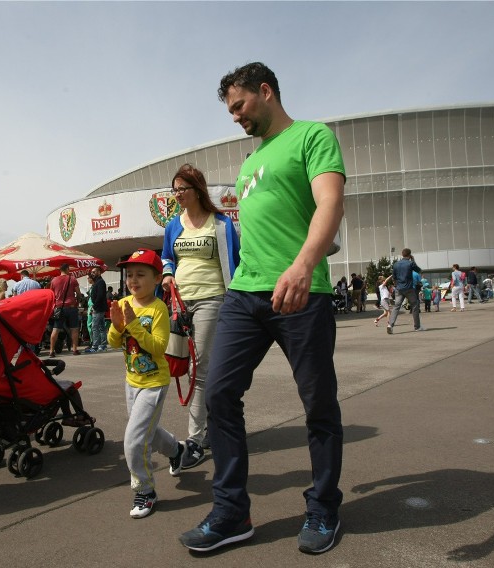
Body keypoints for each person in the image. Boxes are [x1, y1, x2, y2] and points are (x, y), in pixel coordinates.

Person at [179, 62, 346, 555]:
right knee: (220, 395)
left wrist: (303, 264)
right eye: (230, 110)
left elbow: (329, 204)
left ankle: (324, 507)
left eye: (239, 106)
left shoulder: (313, 137)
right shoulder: (251, 162)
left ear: (266, 91)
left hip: (302, 291)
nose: (234, 117)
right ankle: (232, 512)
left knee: (318, 404)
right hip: (245, 294)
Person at [161, 163, 240, 471]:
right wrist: (167, 274)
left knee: (200, 367)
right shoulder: (173, 225)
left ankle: (194, 440)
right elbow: (167, 255)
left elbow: (235, 260)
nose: (177, 195)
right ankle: (208, 429)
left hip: (212, 299)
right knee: (179, 363)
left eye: (182, 189)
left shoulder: (220, 223)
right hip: (180, 302)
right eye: (175, 190)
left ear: (197, 190)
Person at [107, 249, 182, 519]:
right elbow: (113, 342)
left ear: (157, 278)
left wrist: (134, 325)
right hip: (131, 382)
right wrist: (117, 326)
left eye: (141, 275)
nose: (133, 280)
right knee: (146, 430)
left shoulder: (158, 308)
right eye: (130, 275)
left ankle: (145, 491)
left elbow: (159, 348)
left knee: (134, 441)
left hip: (154, 383)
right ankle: (178, 450)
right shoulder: (125, 301)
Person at [386, 249, 424, 334]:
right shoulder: (410, 263)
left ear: (402, 254)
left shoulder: (396, 264)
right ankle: (417, 326)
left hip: (399, 288)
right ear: (410, 255)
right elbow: (419, 270)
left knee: (396, 307)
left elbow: (394, 277)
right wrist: (413, 260)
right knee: (414, 305)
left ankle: (390, 325)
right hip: (409, 288)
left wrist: (396, 285)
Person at [49, 263, 82, 356]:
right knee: (74, 329)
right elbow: (78, 293)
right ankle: (75, 349)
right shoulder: (72, 279)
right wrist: (77, 302)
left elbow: (51, 295)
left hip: (59, 308)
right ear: (67, 269)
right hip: (71, 307)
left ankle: (51, 351)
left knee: (56, 329)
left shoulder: (54, 280)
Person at [85, 266, 108, 353]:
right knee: (101, 327)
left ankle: (95, 346)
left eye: (94, 272)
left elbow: (100, 296)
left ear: (99, 272)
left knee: (95, 327)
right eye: (92, 272)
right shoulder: (97, 282)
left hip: (98, 308)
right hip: (98, 307)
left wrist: (94, 307)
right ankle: (103, 345)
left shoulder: (100, 282)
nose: (92, 274)